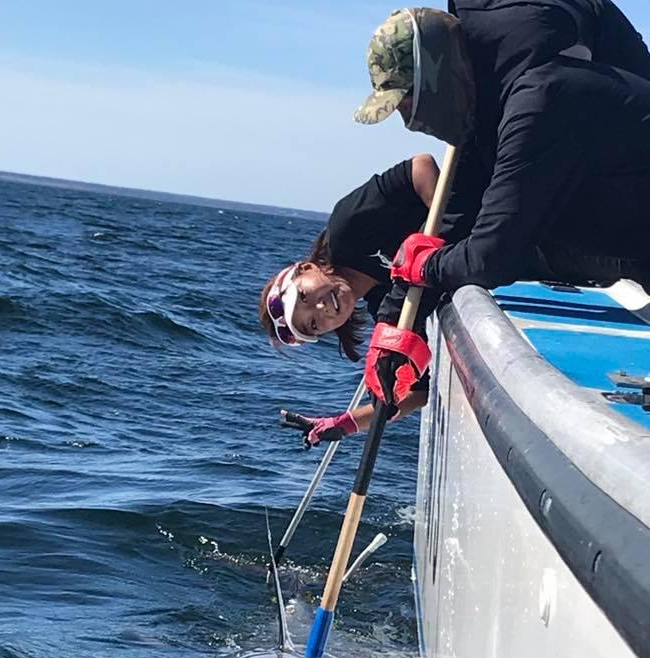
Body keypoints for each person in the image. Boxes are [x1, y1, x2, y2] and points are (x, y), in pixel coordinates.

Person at [354, 4, 650, 297]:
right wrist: (395, 312)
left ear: (437, 78)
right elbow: (457, 214)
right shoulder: (490, 104)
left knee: (526, 239)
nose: (411, 122)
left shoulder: (539, 102)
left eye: (409, 106)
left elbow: (491, 258)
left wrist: (425, 267)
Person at [258, 155, 440, 445]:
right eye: (315, 324)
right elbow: (417, 394)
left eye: (304, 295)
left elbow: (420, 167)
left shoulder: (347, 229)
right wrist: (344, 424)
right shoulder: (390, 306)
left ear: (306, 268)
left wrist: (447, 237)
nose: (322, 308)